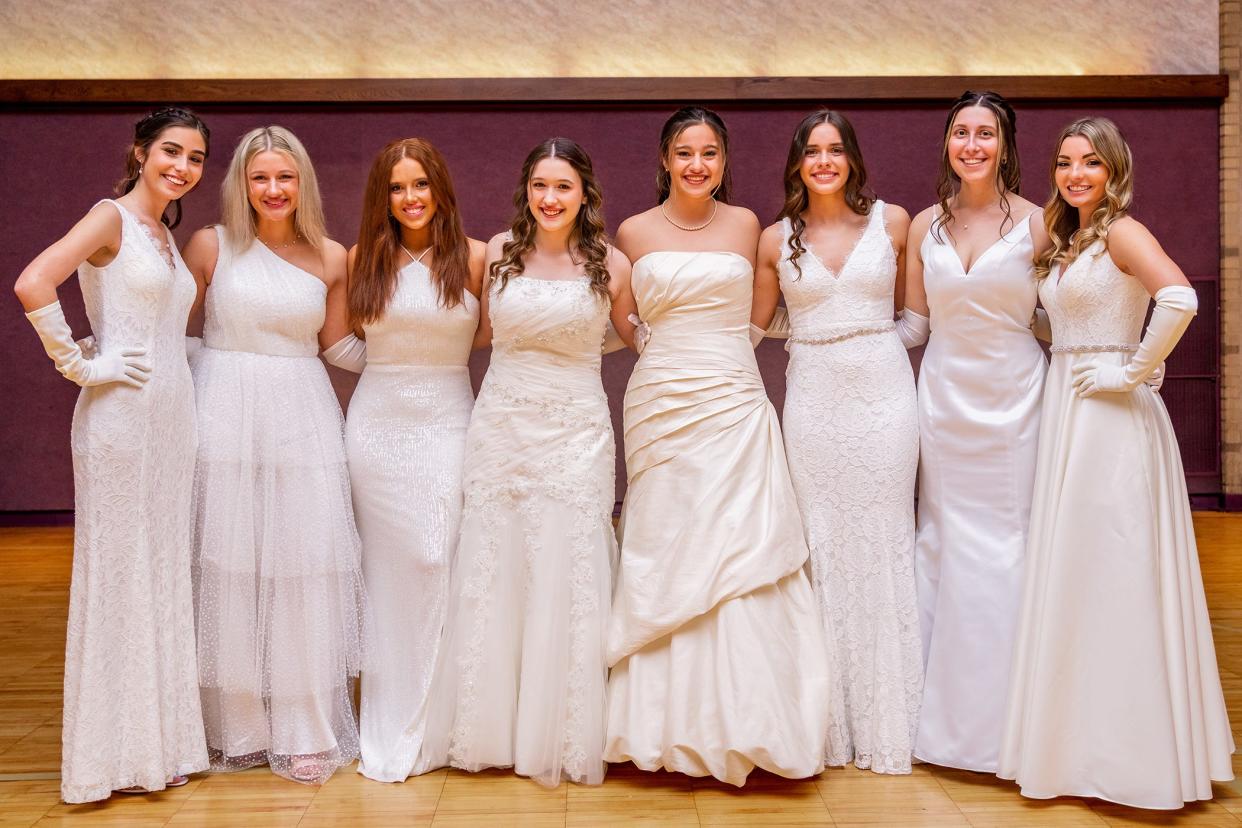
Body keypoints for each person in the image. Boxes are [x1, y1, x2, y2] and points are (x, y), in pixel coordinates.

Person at [998, 116, 1234, 808]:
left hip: (1109, 414)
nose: (1076, 175)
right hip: (1068, 405)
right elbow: (1060, 321)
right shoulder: (1067, 240)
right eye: (1066, 163)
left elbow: (1181, 296)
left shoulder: (1124, 231)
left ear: (1114, 172)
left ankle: (1136, 757)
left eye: (1091, 164)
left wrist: (1133, 370)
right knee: (1077, 570)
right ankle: (1077, 749)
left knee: (1117, 566)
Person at [604, 106, 830, 786]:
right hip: (661, 402)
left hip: (732, 399)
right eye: (684, 153)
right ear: (665, 159)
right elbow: (624, 321)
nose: (696, 164)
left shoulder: (747, 227)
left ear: (724, 161)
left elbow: (759, 317)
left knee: (742, 544)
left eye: (709, 153)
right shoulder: (633, 232)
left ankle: (751, 724)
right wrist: (673, 357)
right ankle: (654, 728)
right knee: (668, 544)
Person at [419, 137, 637, 786]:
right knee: (497, 564)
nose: (550, 198)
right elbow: (466, 330)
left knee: (568, 564)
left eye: (563, 187)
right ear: (526, 191)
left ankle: (564, 735)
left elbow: (637, 337)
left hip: (576, 429)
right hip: (502, 425)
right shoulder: (496, 257)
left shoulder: (612, 265)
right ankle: (488, 732)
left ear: (584, 195)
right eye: (540, 185)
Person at [14, 107, 211, 802]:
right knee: (119, 572)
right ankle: (106, 759)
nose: (181, 166)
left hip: (171, 419)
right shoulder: (110, 217)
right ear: (139, 151)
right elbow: (34, 281)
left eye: (193, 157)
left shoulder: (162, 233)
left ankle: (155, 748)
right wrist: (79, 364)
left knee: (159, 570)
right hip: (121, 419)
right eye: (169, 151)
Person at [182, 126, 367, 785]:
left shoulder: (330, 255)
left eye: (284, 177)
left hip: (301, 414)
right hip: (224, 413)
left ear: (303, 182)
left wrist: (414, 362)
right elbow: (173, 328)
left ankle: (303, 726)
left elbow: (339, 347)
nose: (273, 189)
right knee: (230, 567)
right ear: (241, 183)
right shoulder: (211, 245)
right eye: (260, 177)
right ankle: (239, 727)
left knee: (300, 568)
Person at [752, 109, 921, 774]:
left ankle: (891, 716)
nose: (824, 161)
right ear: (797, 164)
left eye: (834, 149)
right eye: (811, 151)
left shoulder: (895, 221)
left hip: (884, 397)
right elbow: (754, 329)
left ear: (851, 158)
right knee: (819, 536)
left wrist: (867, 347)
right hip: (813, 399)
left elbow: (917, 320)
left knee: (883, 533)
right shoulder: (774, 240)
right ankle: (822, 721)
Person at [899, 91, 1048, 773]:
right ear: (948, 143)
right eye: (962, 133)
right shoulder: (926, 224)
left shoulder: (1039, 224)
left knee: (1009, 546)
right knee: (946, 543)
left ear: (1006, 144)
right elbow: (912, 327)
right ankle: (939, 721)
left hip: (1017, 400)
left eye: (985, 134)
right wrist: (818, 333)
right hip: (944, 401)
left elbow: (1062, 314)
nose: (973, 145)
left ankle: (1017, 723)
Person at [340, 138, 486, 782]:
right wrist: (393, 371)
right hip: (377, 427)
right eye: (397, 188)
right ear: (383, 197)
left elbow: (489, 335)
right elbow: (336, 342)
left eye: (420, 185)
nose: (410, 198)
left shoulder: (476, 257)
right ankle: (391, 710)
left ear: (440, 190)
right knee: (388, 571)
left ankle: (449, 719)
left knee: (442, 558)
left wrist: (430, 370)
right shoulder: (358, 260)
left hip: (451, 418)